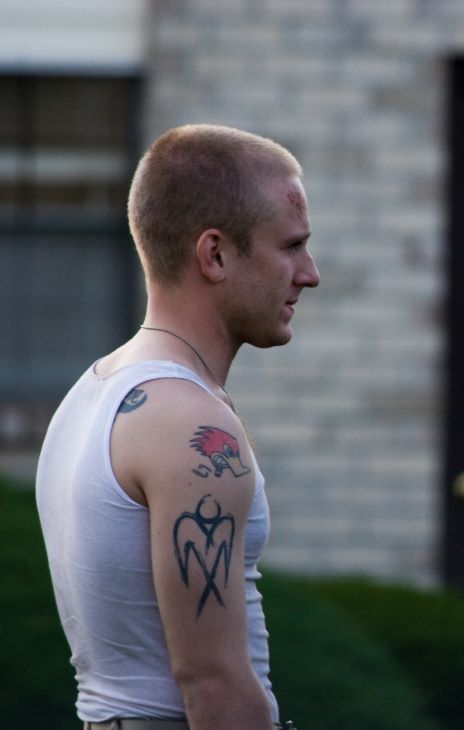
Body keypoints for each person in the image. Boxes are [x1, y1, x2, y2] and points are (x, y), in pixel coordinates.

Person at [36, 124, 320, 730]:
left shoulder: (92, 391)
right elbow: (213, 683)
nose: (309, 273)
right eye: (291, 247)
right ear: (214, 254)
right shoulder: (190, 426)